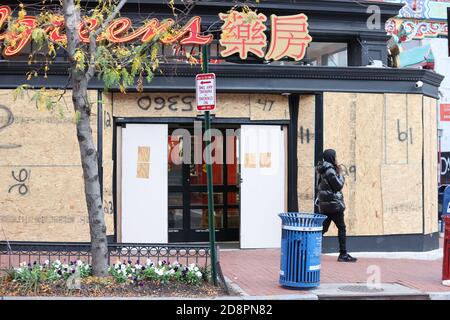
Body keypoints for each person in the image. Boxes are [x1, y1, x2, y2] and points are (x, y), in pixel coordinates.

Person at [316, 149, 357, 262]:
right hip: (334, 205)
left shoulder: (321, 169)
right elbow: (338, 186)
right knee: (341, 228)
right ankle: (343, 254)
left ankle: (307, 250)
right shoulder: (330, 171)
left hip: (325, 205)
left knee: (322, 229)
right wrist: (341, 176)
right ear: (332, 157)